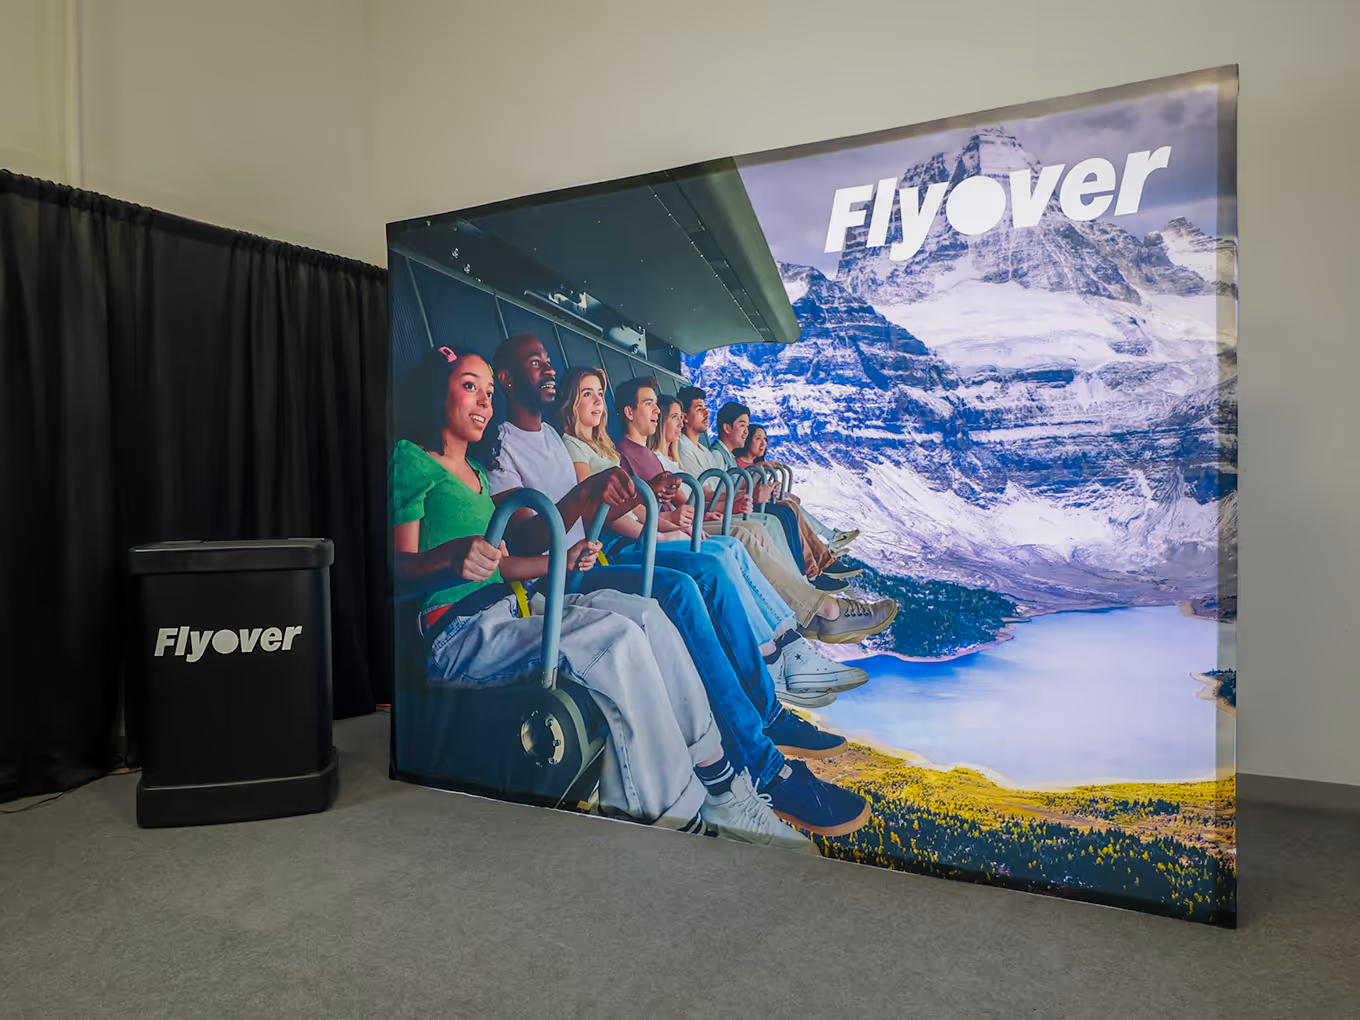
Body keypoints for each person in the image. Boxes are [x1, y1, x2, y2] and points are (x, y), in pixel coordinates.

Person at [391, 345, 812, 849]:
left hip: (508, 606)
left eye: (486, 391)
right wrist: (448, 559)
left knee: (647, 616)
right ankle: (673, 814)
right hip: (456, 632)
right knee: (613, 640)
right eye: (468, 386)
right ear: (440, 389)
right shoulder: (412, 461)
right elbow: (399, 571)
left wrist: (561, 563)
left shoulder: (480, 478)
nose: (483, 401)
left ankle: (721, 779)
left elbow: (499, 565)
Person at [482, 335, 874, 837]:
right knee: (685, 586)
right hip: (556, 577)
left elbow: (594, 515)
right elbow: (528, 531)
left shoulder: (555, 442)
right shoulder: (501, 448)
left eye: (548, 360)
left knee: (702, 574)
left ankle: (767, 713)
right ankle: (759, 761)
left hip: (586, 558)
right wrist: (592, 496)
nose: (547, 368)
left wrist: (652, 498)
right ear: (509, 379)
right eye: (533, 363)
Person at [557, 365, 870, 708]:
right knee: (723, 552)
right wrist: (661, 530)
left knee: (733, 546)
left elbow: (638, 506)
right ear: (573, 402)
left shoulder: (607, 451)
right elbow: (598, 510)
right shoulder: (577, 448)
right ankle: (771, 658)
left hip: (646, 530)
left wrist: (668, 523)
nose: (597, 401)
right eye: (588, 394)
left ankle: (790, 641)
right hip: (623, 545)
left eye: (600, 394)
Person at [677, 386, 898, 644]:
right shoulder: (690, 451)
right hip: (701, 519)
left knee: (765, 523)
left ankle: (807, 591)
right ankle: (814, 602)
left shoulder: (699, 451)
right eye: (696, 409)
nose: (705, 412)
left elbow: (710, 490)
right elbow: (699, 494)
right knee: (757, 527)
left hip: (713, 512)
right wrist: (740, 496)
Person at [736, 423, 858, 582]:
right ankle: (819, 562)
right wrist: (760, 469)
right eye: (757, 438)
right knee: (788, 508)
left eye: (765, 439)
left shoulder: (760, 467)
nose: (763, 443)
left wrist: (777, 491)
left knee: (791, 504)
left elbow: (788, 497)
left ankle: (824, 557)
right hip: (749, 509)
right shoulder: (741, 465)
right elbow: (740, 490)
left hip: (763, 504)